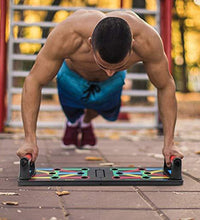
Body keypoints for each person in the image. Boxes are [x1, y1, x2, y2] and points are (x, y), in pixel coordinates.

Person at [16, 9, 183, 167]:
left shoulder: (147, 40)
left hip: (111, 86)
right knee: (73, 109)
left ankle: (85, 120)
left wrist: (170, 144)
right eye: (103, 65)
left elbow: (165, 85)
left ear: (132, 45)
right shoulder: (68, 34)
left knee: (107, 105)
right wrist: (29, 140)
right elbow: (34, 80)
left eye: (118, 65)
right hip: (72, 78)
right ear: (90, 43)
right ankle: (75, 120)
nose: (109, 72)